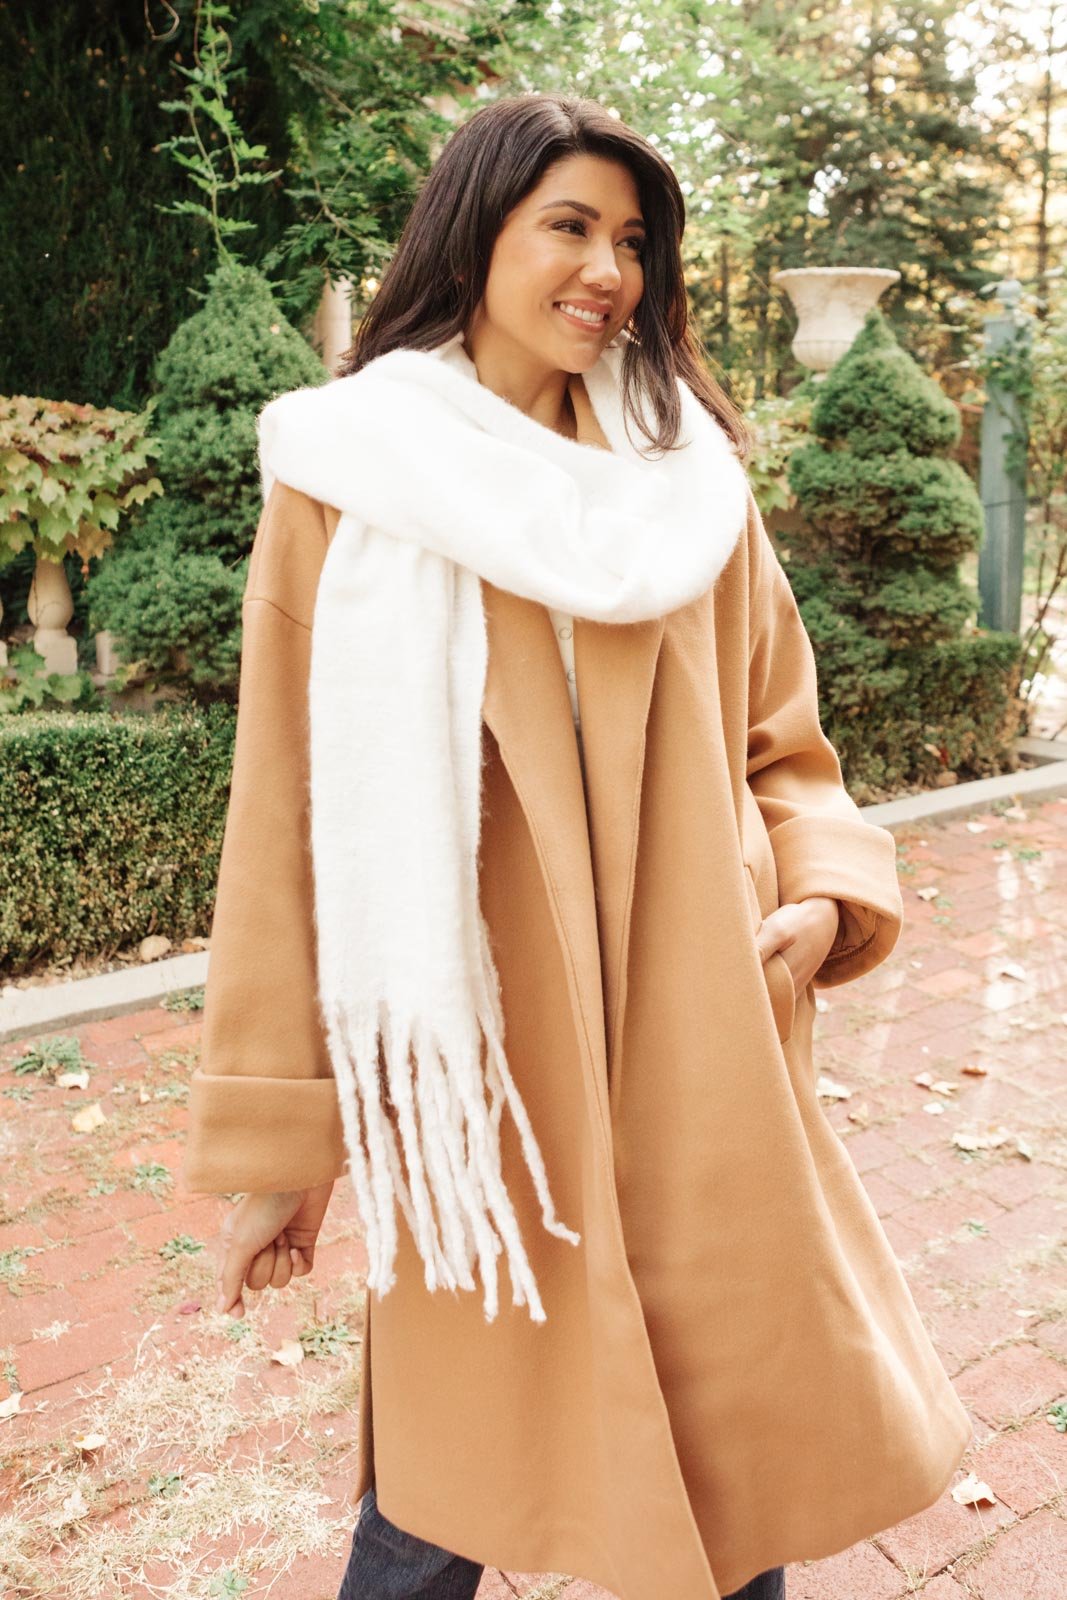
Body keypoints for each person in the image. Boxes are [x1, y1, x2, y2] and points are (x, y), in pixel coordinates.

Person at [180, 93, 971, 1600]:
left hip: (705, 1043)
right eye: (569, 227)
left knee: (731, 1453)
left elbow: (785, 745)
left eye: (633, 239)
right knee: (446, 1488)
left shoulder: (690, 483)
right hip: (486, 1077)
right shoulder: (350, 480)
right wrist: (286, 1152)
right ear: (473, 237)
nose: (610, 270)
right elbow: (283, 820)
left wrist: (821, 896)